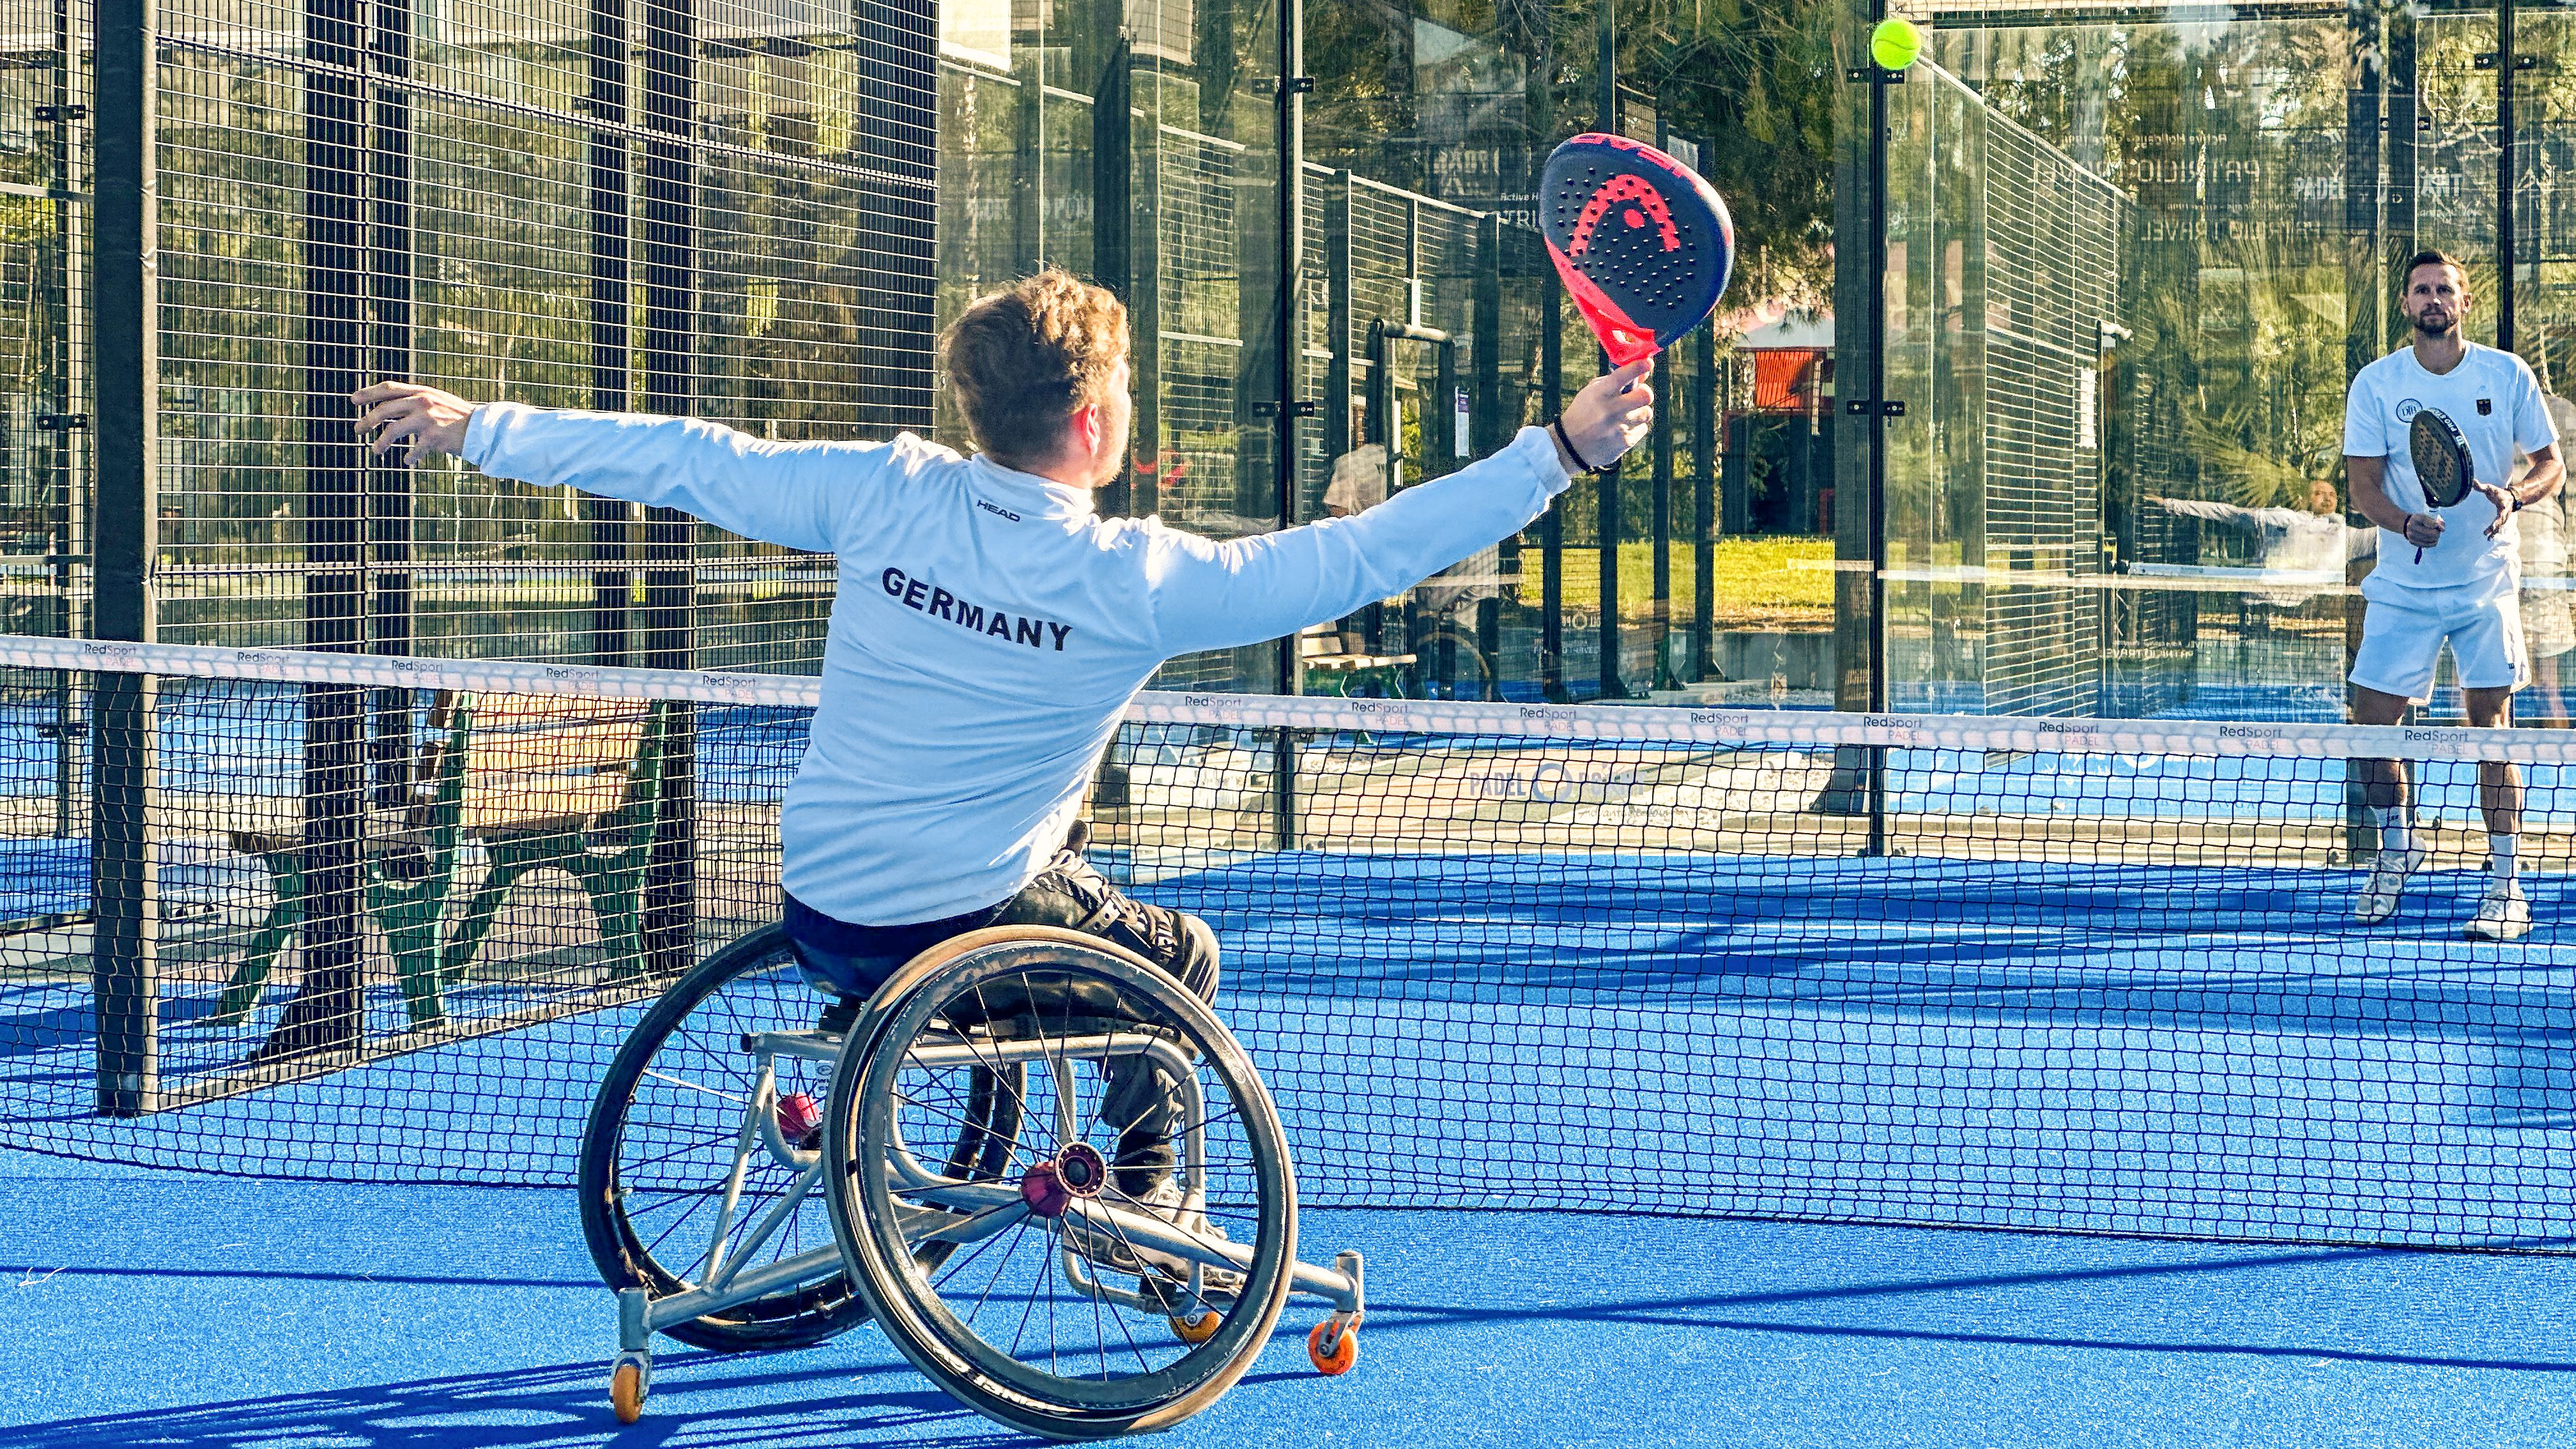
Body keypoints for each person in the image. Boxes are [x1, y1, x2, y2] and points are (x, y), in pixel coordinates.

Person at [350, 267, 1651, 1197]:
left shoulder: (882, 491)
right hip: (969, 923)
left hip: (819, 907)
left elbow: (693, 457)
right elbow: (1359, 555)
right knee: (1178, 949)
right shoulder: (1133, 579)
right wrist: (1557, 455)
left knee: (1056, 888)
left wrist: (480, 429)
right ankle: (1151, 1200)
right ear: (1093, 427)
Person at [2342, 250, 2563, 939]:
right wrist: (2403, 521)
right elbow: (2364, 486)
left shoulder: (2507, 374)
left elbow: (2549, 464)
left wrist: (2516, 496)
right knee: (2370, 727)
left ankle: (2505, 887)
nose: (2433, 299)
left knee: (2491, 732)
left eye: (2444, 289)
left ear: (2464, 302)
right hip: (2404, 586)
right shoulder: (2377, 385)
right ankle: (2397, 850)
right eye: (2421, 290)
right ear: (2406, 305)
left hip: (2485, 583)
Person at [2516, 395, 2576, 725]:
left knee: (2547, 689)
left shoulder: (2562, 416)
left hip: (2542, 570)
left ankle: (2561, 768)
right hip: (2511, 570)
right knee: (2478, 690)